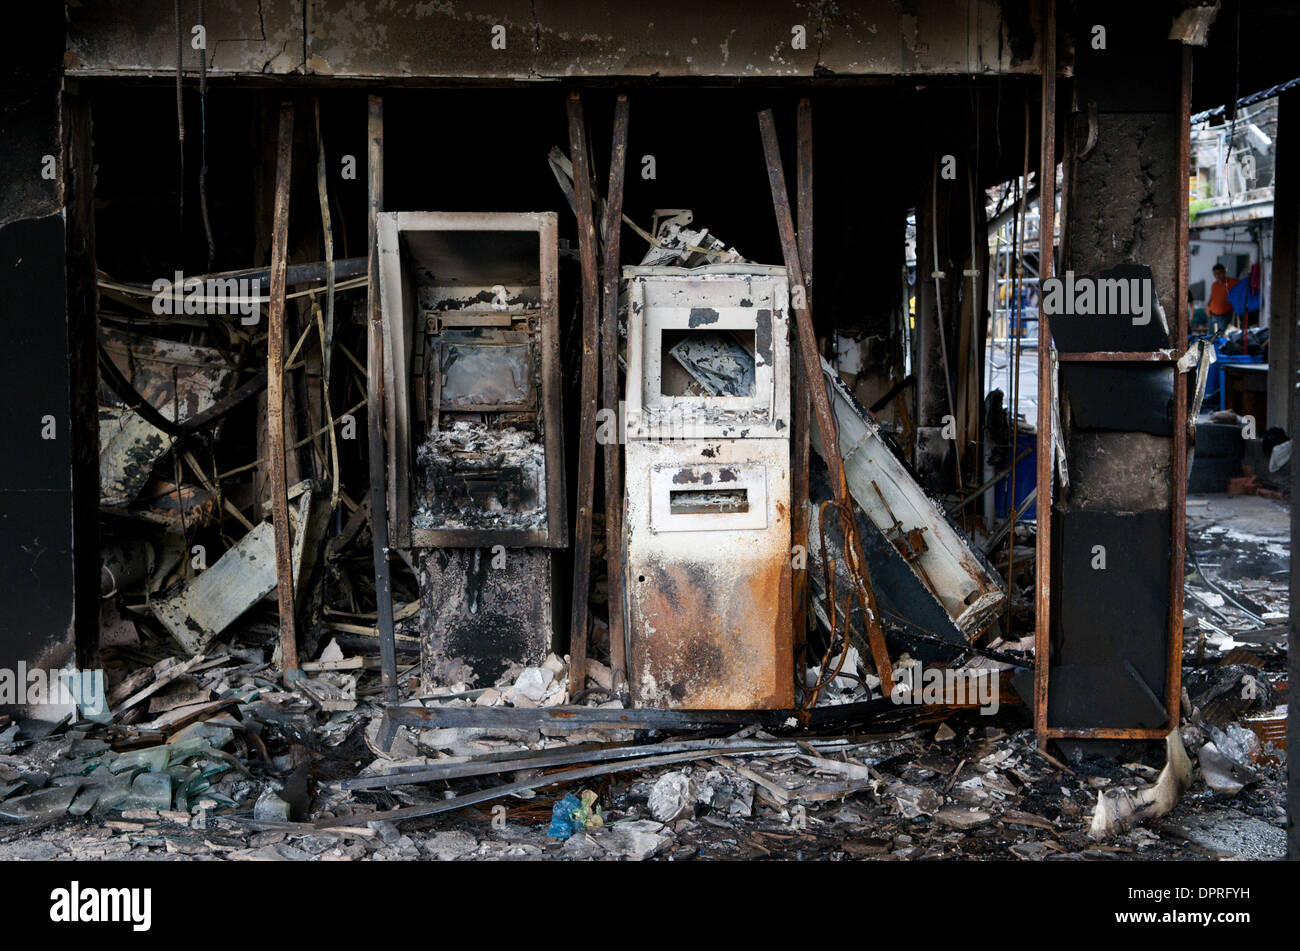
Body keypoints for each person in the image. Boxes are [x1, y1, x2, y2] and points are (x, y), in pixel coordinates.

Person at [1207, 263, 1237, 333]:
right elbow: (1212, 298)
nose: (1217, 276)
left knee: (1221, 335)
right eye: (1215, 274)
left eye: (1219, 273)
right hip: (1212, 315)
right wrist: (1207, 307)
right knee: (1211, 335)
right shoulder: (1214, 285)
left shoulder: (1232, 282)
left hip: (1225, 315)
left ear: (1224, 272)